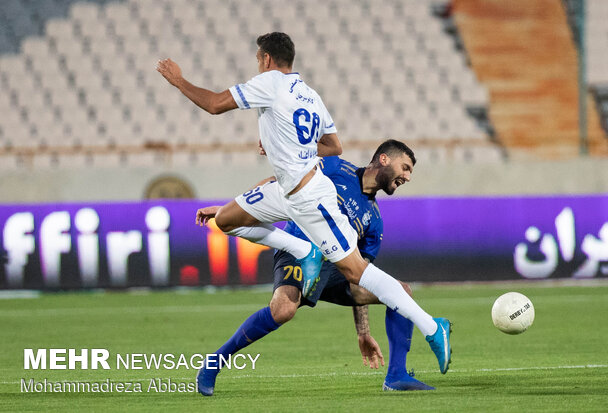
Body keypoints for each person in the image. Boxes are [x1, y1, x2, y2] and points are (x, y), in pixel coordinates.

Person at [157, 32, 451, 386]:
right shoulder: (310, 94)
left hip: (309, 197)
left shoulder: (269, 82)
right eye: (404, 169)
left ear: (265, 60)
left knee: (357, 272)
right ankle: (297, 248)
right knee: (226, 220)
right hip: (287, 191)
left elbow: (216, 104)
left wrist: (178, 81)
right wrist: (291, 146)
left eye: (257, 60)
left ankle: (433, 328)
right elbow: (334, 145)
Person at [194, 140, 435, 395]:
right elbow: (280, 185)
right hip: (298, 250)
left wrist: (363, 332)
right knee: (283, 309)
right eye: (405, 167)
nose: (407, 176)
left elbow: (364, 275)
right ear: (384, 159)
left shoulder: (374, 222)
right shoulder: (334, 167)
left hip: (334, 271)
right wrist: (231, 210)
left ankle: (396, 375)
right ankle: (213, 363)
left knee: (400, 292)